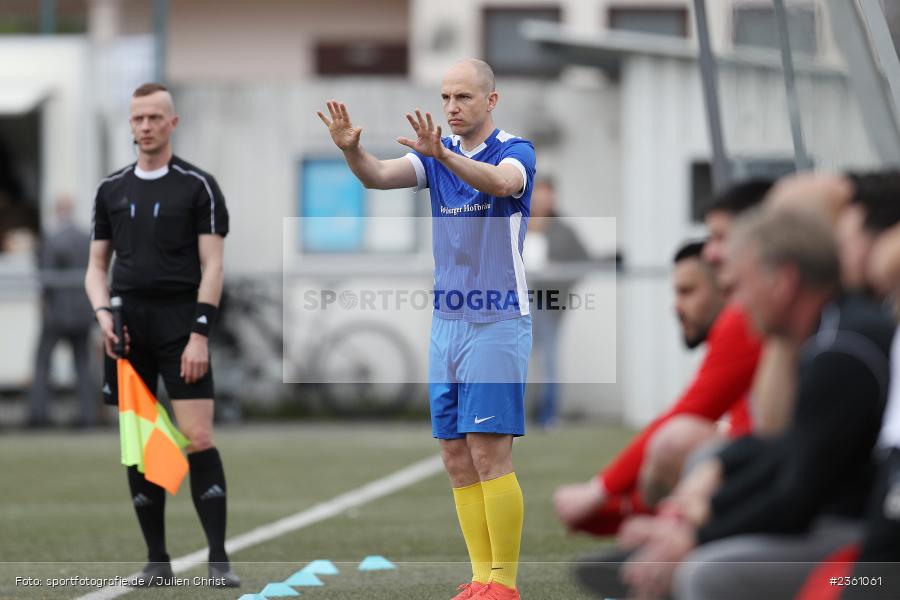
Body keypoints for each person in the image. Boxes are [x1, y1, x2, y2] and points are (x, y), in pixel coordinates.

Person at [317, 58, 535, 600]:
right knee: (455, 455)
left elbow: (503, 184)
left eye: (463, 97)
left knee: (490, 453)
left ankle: (504, 584)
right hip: (448, 323)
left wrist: (442, 156)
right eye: (445, 98)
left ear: (492, 100)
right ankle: (481, 578)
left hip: (497, 319)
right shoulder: (436, 153)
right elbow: (378, 176)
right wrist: (350, 150)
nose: (452, 107)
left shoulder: (515, 150)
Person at [601, 208, 894, 600]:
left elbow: (797, 496)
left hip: (877, 569)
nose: (735, 305)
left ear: (784, 281)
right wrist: (695, 511)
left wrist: (696, 535)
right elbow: (788, 453)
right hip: (843, 522)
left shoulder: (839, 353)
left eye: (739, 287)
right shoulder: (828, 334)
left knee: (707, 574)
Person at [84, 83, 239, 587]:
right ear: (129, 125)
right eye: (138, 118)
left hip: (180, 324)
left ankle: (218, 561)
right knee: (142, 444)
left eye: (155, 117)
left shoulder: (198, 186)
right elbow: (95, 267)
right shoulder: (111, 189)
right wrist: (103, 314)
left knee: (198, 437)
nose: (146, 126)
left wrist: (200, 333)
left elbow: (213, 266)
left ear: (172, 123)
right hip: (127, 328)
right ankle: (157, 561)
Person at [553, 181, 769, 536]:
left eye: (720, 238)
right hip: (783, 473)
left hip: (800, 492)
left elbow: (688, 413)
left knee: (678, 441)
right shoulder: (763, 311)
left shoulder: (746, 314)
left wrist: (600, 494)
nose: (713, 254)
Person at [522, 177, 590, 429]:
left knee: (548, 359)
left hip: (548, 302)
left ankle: (548, 414)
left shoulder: (564, 230)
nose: (543, 201)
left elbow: (584, 262)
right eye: (538, 195)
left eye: (547, 196)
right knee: (518, 360)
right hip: (517, 301)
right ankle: (519, 414)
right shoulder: (517, 222)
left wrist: (559, 276)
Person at [27, 195, 96, 428]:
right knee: (83, 365)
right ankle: (87, 415)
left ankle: (39, 414)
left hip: (56, 312)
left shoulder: (52, 240)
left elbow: (45, 279)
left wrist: (44, 305)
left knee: (43, 362)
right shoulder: (86, 239)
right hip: (83, 311)